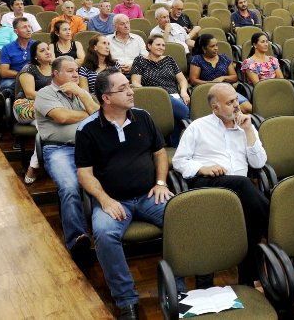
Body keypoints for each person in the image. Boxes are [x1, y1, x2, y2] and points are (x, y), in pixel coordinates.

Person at [76, 68, 174, 320]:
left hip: (150, 195)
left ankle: (179, 288)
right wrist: (104, 200)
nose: (131, 91)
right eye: (123, 89)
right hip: (113, 200)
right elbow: (84, 174)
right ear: (106, 98)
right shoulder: (87, 129)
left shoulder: (143, 117)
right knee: (104, 234)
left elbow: (159, 153)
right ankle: (126, 301)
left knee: (182, 218)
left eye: (129, 86)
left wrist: (161, 182)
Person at [173, 83, 269, 287]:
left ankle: (247, 281)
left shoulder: (246, 126)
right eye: (230, 102)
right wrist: (202, 168)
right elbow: (179, 161)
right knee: (245, 185)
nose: (236, 105)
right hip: (208, 185)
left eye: (236, 100)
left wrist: (248, 131)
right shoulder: (198, 127)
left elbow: (258, 163)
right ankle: (277, 228)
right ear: (215, 108)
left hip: (240, 191)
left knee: (251, 219)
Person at [34, 55, 99, 265]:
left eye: (76, 70)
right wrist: (86, 113)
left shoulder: (81, 93)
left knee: (116, 175)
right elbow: (61, 117)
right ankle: (77, 240)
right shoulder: (45, 93)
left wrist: (82, 94)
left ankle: (108, 229)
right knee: (70, 187)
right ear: (56, 74)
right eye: (70, 71)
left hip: (89, 148)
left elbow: (100, 116)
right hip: (59, 149)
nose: (75, 74)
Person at [131, 34, 189, 147]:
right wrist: (152, 92)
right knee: (184, 113)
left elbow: (182, 80)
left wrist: (184, 91)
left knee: (178, 114)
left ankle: (172, 143)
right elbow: (135, 82)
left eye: (163, 45)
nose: (161, 47)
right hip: (154, 96)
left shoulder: (169, 60)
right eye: (158, 44)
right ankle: (176, 142)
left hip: (174, 95)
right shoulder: (140, 60)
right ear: (149, 46)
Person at [13, 40, 53, 184]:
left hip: (47, 109)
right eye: (42, 50)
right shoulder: (28, 68)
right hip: (26, 106)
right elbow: (30, 93)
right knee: (53, 119)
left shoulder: (56, 67)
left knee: (46, 126)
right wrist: (54, 98)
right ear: (35, 56)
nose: (47, 52)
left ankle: (33, 166)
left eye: (48, 49)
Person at [189, 33, 252, 113]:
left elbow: (234, 77)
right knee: (231, 111)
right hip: (207, 91)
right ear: (204, 48)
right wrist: (211, 83)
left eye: (216, 45)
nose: (216, 48)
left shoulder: (224, 58)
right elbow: (194, 80)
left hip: (226, 90)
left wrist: (223, 77)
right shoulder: (197, 59)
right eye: (212, 46)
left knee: (248, 108)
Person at [0, 17, 35, 91]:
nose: (28, 30)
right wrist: (23, 75)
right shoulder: (7, 48)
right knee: (6, 86)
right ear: (16, 31)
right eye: (24, 27)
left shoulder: (36, 45)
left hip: (34, 77)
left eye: (29, 26)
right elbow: (4, 72)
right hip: (14, 78)